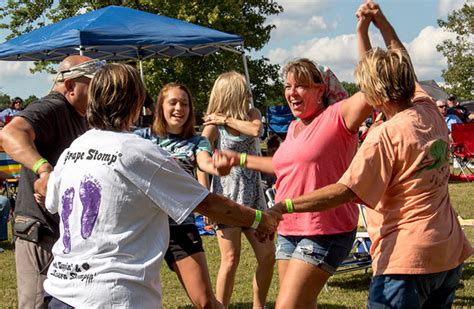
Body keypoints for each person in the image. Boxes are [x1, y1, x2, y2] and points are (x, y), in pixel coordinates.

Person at [267, 2, 473, 308]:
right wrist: (377, 24)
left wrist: (285, 205)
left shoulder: (384, 136)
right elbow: (400, 58)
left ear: (373, 95)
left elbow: (343, 192)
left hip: (405, 263)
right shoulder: (428, 109)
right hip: (448, 253)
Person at [42, 63, 279, 308]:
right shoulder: (139, 150)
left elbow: (50, 198)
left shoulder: (73, 149)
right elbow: (208, 204)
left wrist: (42, 175)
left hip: (60, 291)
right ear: (136, 103)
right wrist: (260, 219)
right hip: (112, 295)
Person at [213, 24, 373, 309]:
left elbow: (372, 86)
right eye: (287, 86)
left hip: (326, 230)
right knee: (303, 304)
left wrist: (362, 31)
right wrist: (237, 159)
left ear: (320, 89)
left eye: (300, 85)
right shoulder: (294, 126)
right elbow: (281, 164)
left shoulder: (338, 117)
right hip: (289, 227)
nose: (291, 92)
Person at [0, 55, 104, 308]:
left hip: (64, 232)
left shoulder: (80, 114)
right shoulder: (52, 107)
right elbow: (10, 133)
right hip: (40, 230)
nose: (101, 93)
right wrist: (44, 170)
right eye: (94, 86)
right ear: (69, 86)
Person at [135, 83, 229, 309]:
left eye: (184, 103)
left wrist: (219, 167)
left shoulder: (198, 142)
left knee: (205, 301)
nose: (179, 108)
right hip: (143, 227)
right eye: (173, 103)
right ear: (160, 107)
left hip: (180, 227)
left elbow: (205, 162)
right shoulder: (143, 138)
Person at [200, 71, 275, 309]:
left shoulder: (253, 114)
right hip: (227, 200)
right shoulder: (212, 127)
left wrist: (225, 120)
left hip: (253, 199)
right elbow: (200, 157)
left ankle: (258, 306)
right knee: (230, 259)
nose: (249, 94)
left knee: (267, 256)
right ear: (232, 93)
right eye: (244, 90)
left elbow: (255, 131)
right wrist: (205, 199)